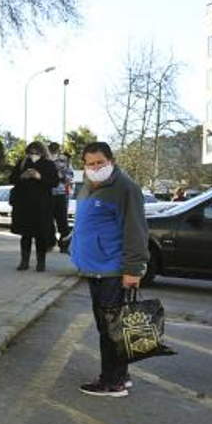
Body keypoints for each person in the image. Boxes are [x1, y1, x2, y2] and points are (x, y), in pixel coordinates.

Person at [69, 142, 148, 397]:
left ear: (111, 161)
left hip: (112, 269)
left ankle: (111, 382)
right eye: (90, 164)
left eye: (100, 163)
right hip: (95, 268)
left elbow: (135, 231)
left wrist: (133, 269)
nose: (95, 167)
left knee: (110, 328)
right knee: (110, 326)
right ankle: (120, 376)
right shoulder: (88, 186)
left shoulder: (125, 188)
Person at [8, 141, 58, 272]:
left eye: (36, 152)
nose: (33, 155)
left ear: (42, 152)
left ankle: (41, 263)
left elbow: (55, 182)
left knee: (41, 235)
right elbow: (11, 179)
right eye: (31, 152)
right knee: (26, 235)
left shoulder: (49, 164)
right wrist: (22, 176)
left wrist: (39, 176)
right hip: (24, 205)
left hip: (42, 206)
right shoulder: (23, 163)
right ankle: (24, 262)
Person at [49, 141, 75, 252]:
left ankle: (64, 246)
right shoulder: (45, 159)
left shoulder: (64, 160)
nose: (54, 150)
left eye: (56, 148)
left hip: (60, 194)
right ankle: (49, 243)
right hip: (47, 194)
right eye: (51, 148)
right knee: (47, 221)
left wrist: (61, 177)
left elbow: (70, 176)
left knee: (62, 221)